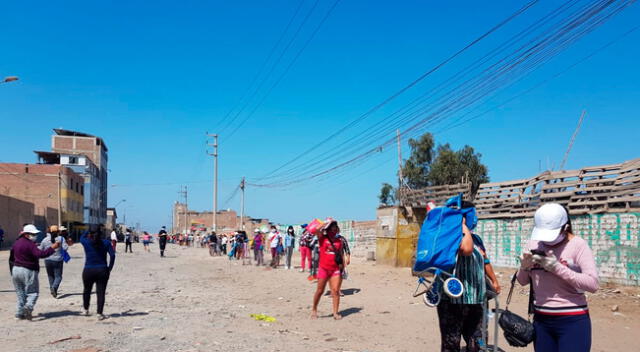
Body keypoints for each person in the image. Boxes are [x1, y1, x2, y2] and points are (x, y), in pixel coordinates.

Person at [517, 203, 599, 352]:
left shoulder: (578, 245)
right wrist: (524, 266)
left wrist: (557, 268)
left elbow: (593, 284)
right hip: (541, 320)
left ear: (565, 227)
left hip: (572, 320)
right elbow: (522, 281)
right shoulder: (534, 244)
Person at [436, 202, 501, 352]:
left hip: (477, 299)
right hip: (452, 300)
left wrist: (494, 281)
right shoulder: (447, 237)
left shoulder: (476, 238)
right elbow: (466, 249)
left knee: (478, 342)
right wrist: (461, 225)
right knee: (451, 343)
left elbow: (485, 260)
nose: (475, 218)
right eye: (473, 214)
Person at [9, 224, 60, 320]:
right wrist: (52, 248)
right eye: (33, 234)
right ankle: (28, 307)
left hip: (16, 270)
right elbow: (41, 254)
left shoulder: (16, 243)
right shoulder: (30, 244)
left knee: (20, 293)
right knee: (33, 293)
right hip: (28, 270)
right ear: (26, 234)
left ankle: (19, 313)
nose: (35, 235)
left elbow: (11, 257)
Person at [311, 219, 348, 320]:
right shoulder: (322, 238)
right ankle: (314, 309)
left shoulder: (339, 241)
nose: (333, 231)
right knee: (320, 291)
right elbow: (315, 230)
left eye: (335, 229)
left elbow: (340, 254)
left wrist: (343, 267)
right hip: (324, 269)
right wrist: (326, 222)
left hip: (335, 269)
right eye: (331, 229)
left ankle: (335, 313)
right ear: (327, 229)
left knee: (335, 291)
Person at [80, 225, 116, 320]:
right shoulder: (106, 243)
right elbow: (112, 256)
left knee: (87, 290)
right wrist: (109, 268)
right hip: (102, 270)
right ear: (100, 233)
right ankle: (99, 313)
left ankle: (85, 309)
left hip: (88, 270)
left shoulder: (86, 242)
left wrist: (88, 230)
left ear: (90, 234)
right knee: (101, 292)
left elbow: (81, 237)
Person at [39, 225, 71, 298]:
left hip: (47, 260)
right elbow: (65, 248)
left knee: (50, 276)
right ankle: (54, 288)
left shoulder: (45, 239)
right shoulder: (61, 238)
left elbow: (41, 249)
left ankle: (52, 289)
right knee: (58, 276)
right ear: (58, 231)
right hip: (58, 260)